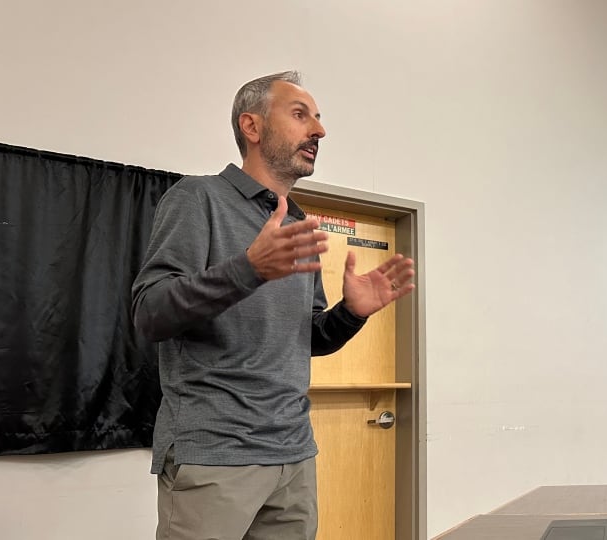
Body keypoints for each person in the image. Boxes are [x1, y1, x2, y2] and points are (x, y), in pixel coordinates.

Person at [131, 70, 415, 540]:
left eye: (319, 119)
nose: (319, 131)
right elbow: (149, 312)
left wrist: (351, 314)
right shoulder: (197, 197)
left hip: (294, 454)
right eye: (301, 115)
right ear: (252, 126)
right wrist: (248, 268)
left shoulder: (297, 223)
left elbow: (308, 338)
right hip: (214, 455)